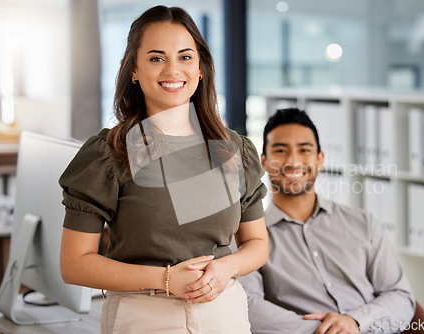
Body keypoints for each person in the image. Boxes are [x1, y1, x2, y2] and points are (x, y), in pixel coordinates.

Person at [59, 6, 268, 334]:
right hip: (143, 314)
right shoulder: (109, 153)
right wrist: (166, 280)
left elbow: (257, 243)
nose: (173, 70)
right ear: (135, 71)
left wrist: (226, 268)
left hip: (223, 314)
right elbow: (74, 264)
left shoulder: (235, 151)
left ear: (200, 69)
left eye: (185, 57)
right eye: (157, 58)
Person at [238, 108, 415, 334]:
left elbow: (401, 296)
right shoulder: (250, 237)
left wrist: (355, 322)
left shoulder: (363, 223)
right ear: (264, 161)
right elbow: (250, 308)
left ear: (320, 159)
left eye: (304, 150)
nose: (293, 162)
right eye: (280, 151)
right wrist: (326, 331)